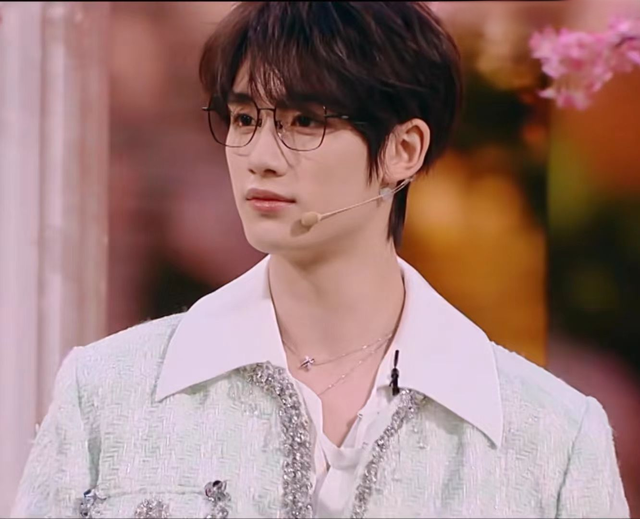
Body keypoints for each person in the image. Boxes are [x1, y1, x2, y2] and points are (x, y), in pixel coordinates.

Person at [12, 2, 629, 518]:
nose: (259, 156)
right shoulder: (109, 392)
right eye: (244, 118)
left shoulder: (550, 435)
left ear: (404, 149)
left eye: (304, 121)